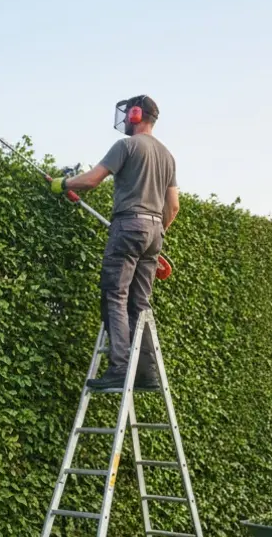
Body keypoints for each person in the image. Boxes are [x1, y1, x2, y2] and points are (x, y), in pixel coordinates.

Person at [51, 94, 179, 390]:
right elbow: (173, 207)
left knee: (115, 295)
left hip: (128, 225)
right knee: (140, 303)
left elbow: (92, 180)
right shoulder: (167, 156)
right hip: (155, 232)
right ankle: (146, 374)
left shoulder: (126, 146)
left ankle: (120, 368)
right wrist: (155, 231)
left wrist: (64, 183)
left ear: (135, 114)